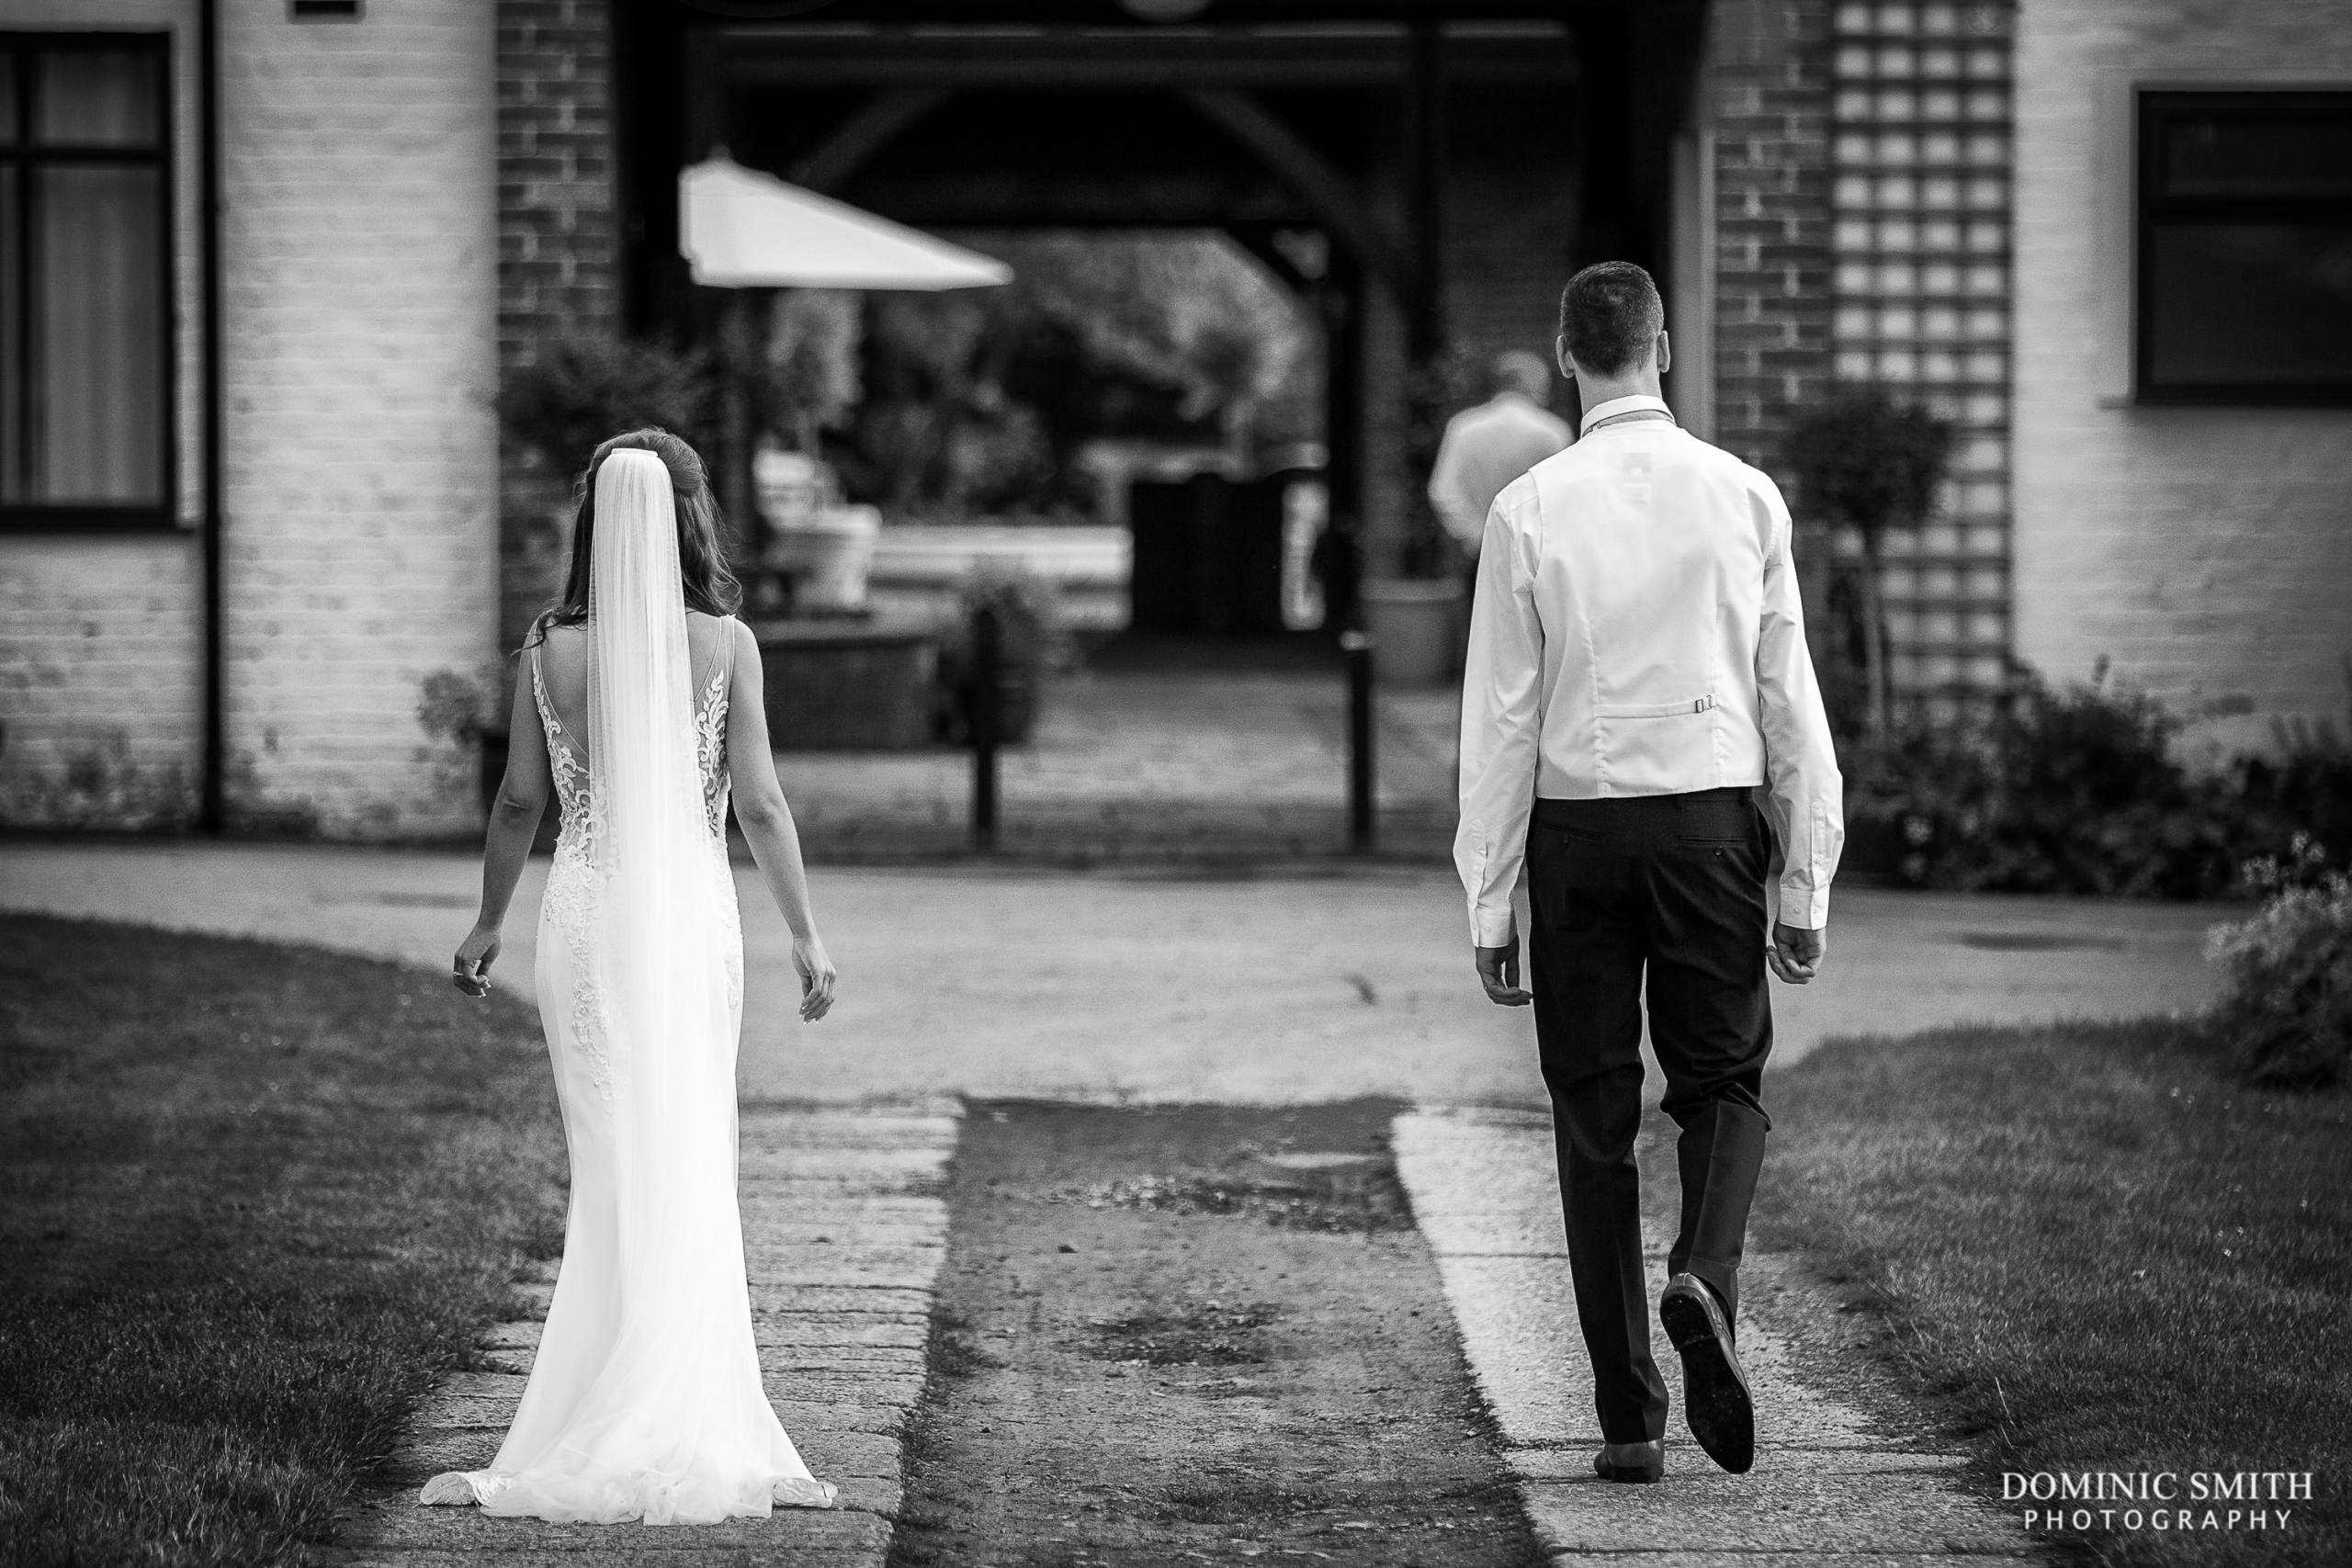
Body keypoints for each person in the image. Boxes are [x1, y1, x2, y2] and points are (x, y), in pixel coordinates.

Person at [1454, 263, 1843, 1484]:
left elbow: (1500, 721)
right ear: (1662, 348)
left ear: (1567, 354)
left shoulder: (1526, 508)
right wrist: (1805, 878)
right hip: (1711, 827)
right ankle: (1704, 1276)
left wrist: (1489, 894)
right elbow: (1790, 699)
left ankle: (1628, 1417)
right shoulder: (1743, 495)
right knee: (1722, 1081)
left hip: (1577, 836)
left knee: (1592, 1119)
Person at [425, 430, 842, 1524]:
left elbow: (520, 801)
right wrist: (805, 933)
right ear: (687, 521)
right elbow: (760, 805)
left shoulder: (545, 650)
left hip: (587, 917)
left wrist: (487, 922)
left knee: (610, 1164)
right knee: (690, 1150)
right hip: (691, 917)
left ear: (593, 524)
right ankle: (692, 1412)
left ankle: (604, 1402)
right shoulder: (728, 644)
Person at [1427, 349, 1573, 562]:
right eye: (1544, 385)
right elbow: (1563, 497)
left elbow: (1443, 492)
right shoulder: (1553, 433)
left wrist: (1475, 534)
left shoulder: (1464, 427)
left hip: (1480, 554)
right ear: (1530, 386)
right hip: (1536, 554)